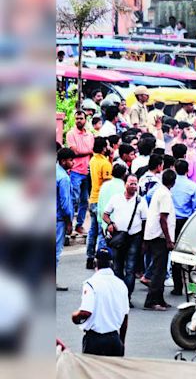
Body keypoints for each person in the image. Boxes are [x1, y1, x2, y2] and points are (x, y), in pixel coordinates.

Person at [71, 250, 129, 357]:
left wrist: (74, 317)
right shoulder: (121, 285)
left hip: (94, 341)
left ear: (95, 263)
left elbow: (85, 312)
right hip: (114, 339)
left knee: (91, 372)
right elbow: (125, 317)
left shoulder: (90, 284)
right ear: (111, 264)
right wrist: (122, 342)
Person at [103, 174, 148, 305]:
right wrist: (110, 223)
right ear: (125, 184)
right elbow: (105, 214)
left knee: (130, 268)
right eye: (131, 183)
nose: (134, 186)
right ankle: (119, 295)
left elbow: (145, 222)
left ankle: (126, 297)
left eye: (135, 184)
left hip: (134, 237)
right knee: (117, 267)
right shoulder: (116, 198)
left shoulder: (141, 201)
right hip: (118, 237)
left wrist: (144, 241)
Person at [143, 169, 177, 310]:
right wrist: (169, 239)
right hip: (159, 237)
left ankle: (160, 299)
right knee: (159, 270)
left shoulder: (161, 191)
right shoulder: (165, 195)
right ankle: (152, 300)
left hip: (156, 235)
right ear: (173, 182)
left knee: (161, 269)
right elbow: (163, 218)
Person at [170, 160, 196, 295]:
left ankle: (177, 288)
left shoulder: (171, 184)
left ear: (175, 169)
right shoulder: (192, 186)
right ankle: (192, 289)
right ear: (188, 170)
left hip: (173, 223)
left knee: (175, 257)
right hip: (187, 224)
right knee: (190, 259)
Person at [66, 110, 94, 235]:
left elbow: (87, 152)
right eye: (77, 118)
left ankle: (79, 225)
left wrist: (86, 151)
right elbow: (74, 152)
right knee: (73, 199)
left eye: (81, 118)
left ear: (85, 120)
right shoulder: (71, 134)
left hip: (87, 171)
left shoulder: (90, 135)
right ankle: (69, 225)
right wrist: (89, 151)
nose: (79, 120)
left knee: (84, 200)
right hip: (75, 171)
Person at [86, 137, 113, 269]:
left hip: (93, 198)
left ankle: (89, 257)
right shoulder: (105, 163)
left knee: (92, 230)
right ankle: (101, 260)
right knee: (102, 232)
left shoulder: (93, 160)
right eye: (107, 145)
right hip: (101, 200)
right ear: (103, 147)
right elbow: (108, 184)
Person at [56, 148, 76, 291]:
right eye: (70, 160)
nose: (73, 163)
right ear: (64, 161)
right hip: (58, 219)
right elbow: (65, 203)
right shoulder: (64, 178)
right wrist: (69, 221)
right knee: (56, 250)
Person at [96, 164, 127, 251]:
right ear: (124, 174)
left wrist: (100, 220)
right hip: (119, 224)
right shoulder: (124, 187)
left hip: (105, 222)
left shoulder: (104, 186)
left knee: (103, 249)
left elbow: (100, 204)